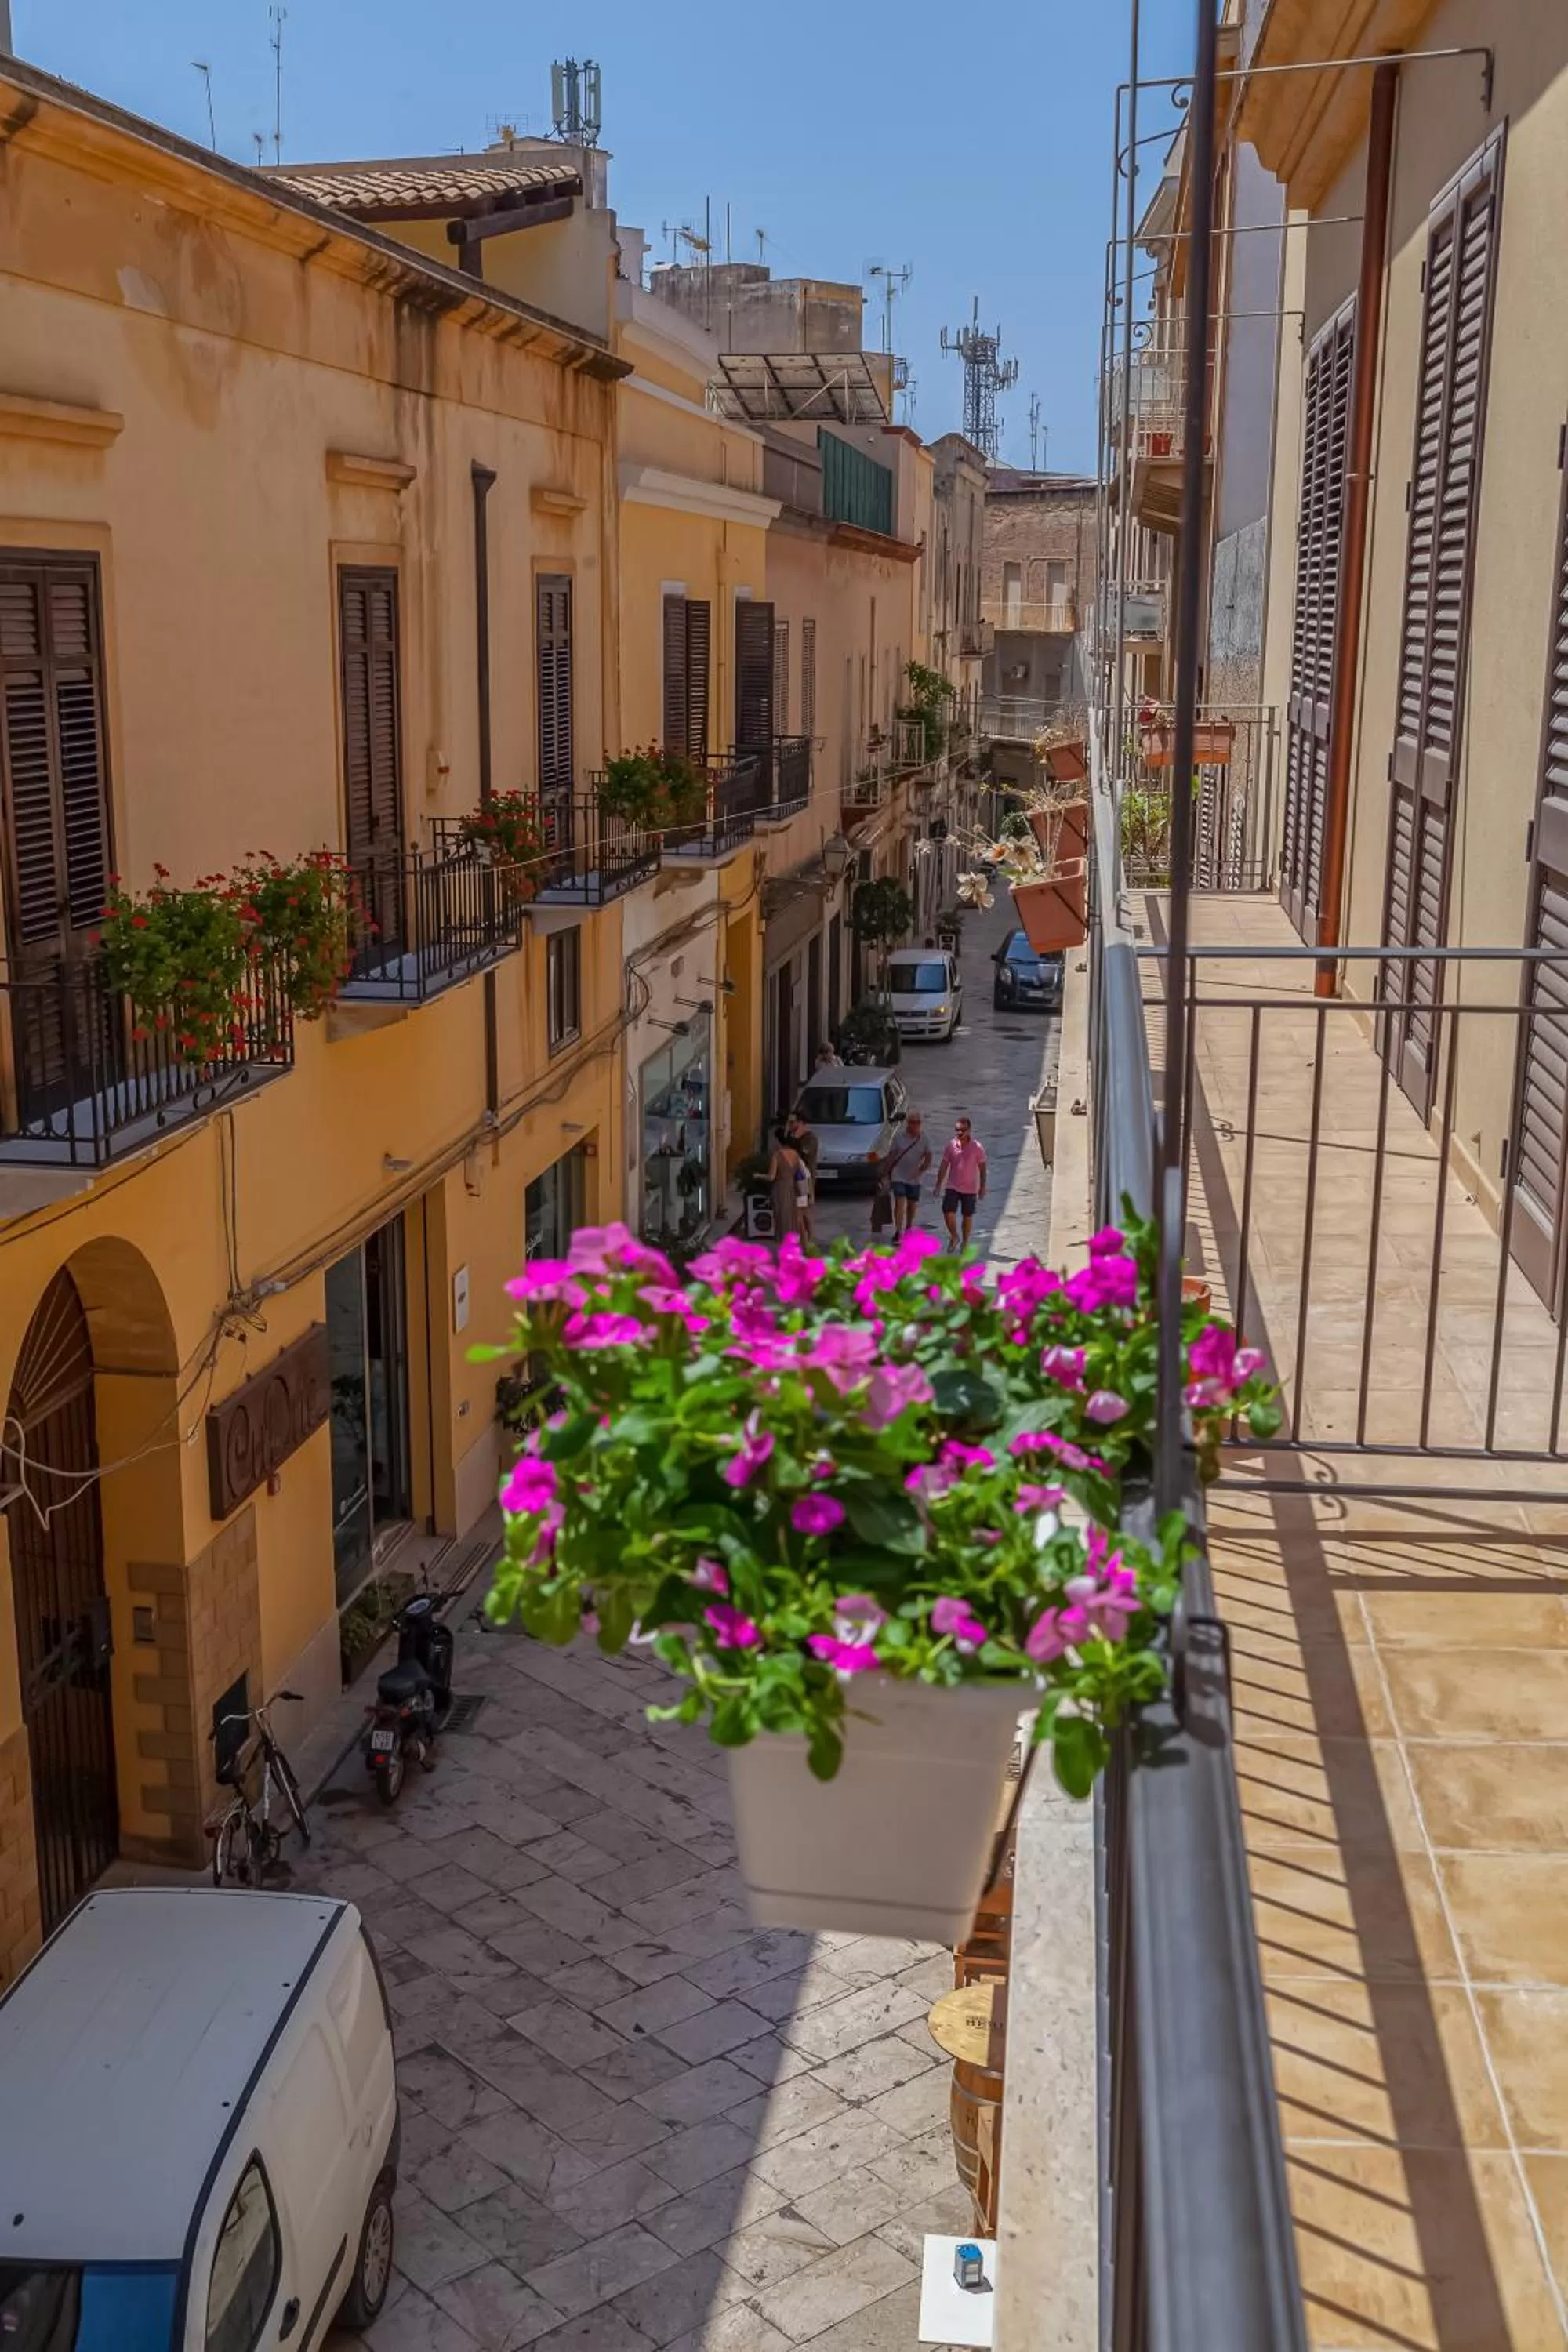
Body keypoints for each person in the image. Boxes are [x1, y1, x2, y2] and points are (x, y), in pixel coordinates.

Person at [935, 1114, 987, 1254]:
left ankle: (965, 1241)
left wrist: (982, 1186)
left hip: (970, 1188)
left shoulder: (977, 1147)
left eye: (962, 1130)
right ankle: (954, 1236)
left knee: (967, 1216)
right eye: (957, 1130)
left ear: (969, 1130)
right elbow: (944, 1165)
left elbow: (983, 1168)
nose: (959, 1133)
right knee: (947, 1211)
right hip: (952, 1185)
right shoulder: (951, 1145)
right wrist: (938, 1184)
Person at [879, 1111, 933, 1236]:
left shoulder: (924, 1139)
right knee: (900, 1201)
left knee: (912, 1204)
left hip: (914, 1178)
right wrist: (886, 1175)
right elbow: (891, 1157)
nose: (916, 1125)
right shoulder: (899, 1137)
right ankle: (898, 1231)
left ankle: (909, 1226)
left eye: (918, 1123)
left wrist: (920, 1170)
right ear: (908, 1124)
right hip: (898, 1175)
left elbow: (928, 1158)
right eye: (913, 1122)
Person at [766, 1124, 804, 1240]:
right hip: (792, 1188)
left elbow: (771, 1177)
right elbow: (801, 1172)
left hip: (780, 1188)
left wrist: (757, 1176)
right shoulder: (795, 1154)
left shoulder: (777, 1155)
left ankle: (782, 1238)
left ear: (778, 1141)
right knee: (791, 1214)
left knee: (780, 1215)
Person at [786, 1113, 819, 1240]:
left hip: (805, 1178)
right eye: (789, 1123)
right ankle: (803, 1237)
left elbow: (802, 1152)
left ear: (800, 1123)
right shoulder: (792, 1137)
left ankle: (809, 1238)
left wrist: (796, 1138)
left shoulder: (810, 1139)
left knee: (803, 1210)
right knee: (797, 1210)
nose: (790, 1126)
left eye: (793, 1122)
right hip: (794, 1175)